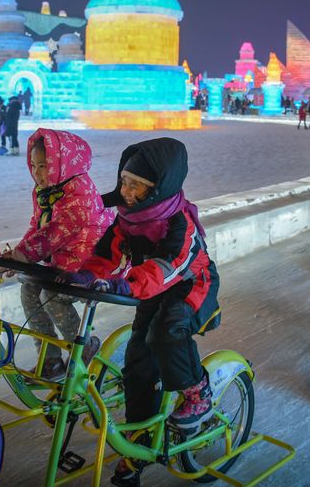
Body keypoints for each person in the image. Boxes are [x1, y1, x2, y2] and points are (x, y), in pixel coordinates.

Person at [61, 138, 220, 486]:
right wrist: (87, 275)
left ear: (159, 187)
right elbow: (109, 254)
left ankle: (198, 394)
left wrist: (127, 285)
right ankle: (139, 440)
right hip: (150, 287)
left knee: (165, 332)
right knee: (137, 361)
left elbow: (168, 266)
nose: (126, 191)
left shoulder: (179, 223)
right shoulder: (128, 218)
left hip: (191, 284)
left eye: (136, 185)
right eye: (124, 181)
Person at [0, 129, 113, 379]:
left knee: (51, 296)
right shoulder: (47, 191)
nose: (37, 173)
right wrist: (17, 256)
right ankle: (50, 359)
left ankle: (85, 345)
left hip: (88, 268)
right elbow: (37, 227)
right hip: (62, 264)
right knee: (29, 289)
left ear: (63, 164)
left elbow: (56, 232)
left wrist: (22, 255)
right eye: (34, 165)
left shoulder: (80, 193)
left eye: (44, 166)